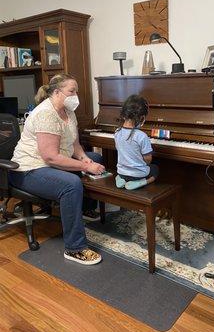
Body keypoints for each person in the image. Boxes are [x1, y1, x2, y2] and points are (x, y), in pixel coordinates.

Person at [9, 73, 104, 265]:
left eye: (76, 91)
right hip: (28, 170)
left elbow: (75, 146)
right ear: (57, 92)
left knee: (96, 158)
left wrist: (87, 161)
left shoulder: (68, 112)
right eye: (72, 91)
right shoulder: (45, 113)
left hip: (48, 164)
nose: (76, 95)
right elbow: (50, 157)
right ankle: (75, 248)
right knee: (71, 184)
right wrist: (85, 167)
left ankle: (85, 209)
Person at [114, 94, 159, 190]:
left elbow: (120, 149)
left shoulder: (117, 132)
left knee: (126, 171)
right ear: (142, 117)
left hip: (121, 172)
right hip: (138, 175)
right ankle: (142, 182)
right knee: (155, 169)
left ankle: (120, 179)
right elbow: (148, 159)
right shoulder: (141, 136)